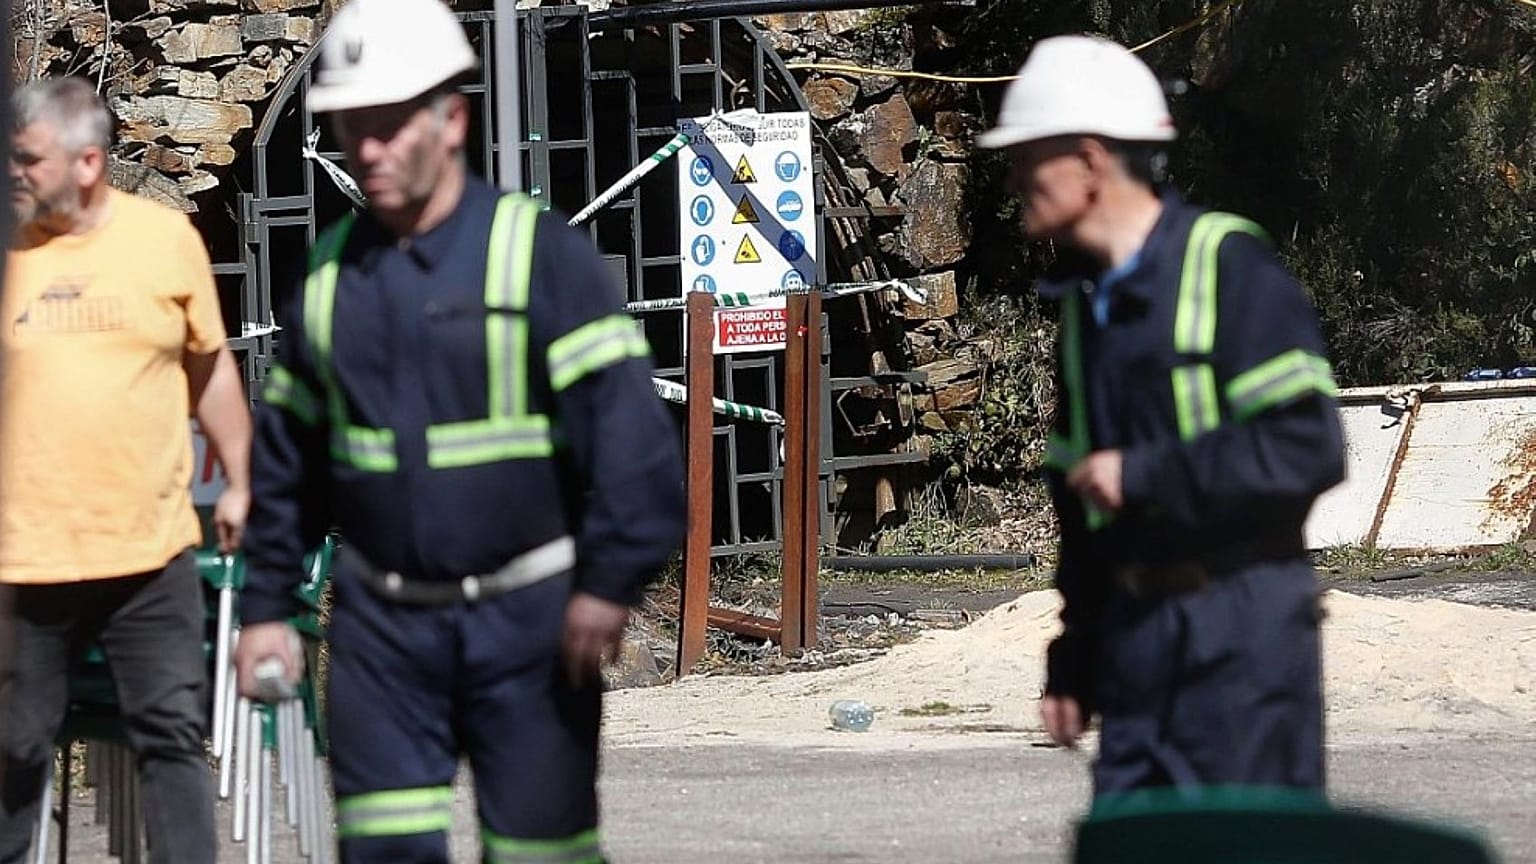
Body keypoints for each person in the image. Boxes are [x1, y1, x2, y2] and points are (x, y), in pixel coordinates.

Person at [232, 0, 686, 861]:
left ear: (453, 119)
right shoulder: (325, 280)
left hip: (532, 625)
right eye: (347, 128)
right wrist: (266, 608)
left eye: (385, 125)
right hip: (381, 633)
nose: (365, 150)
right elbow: (287, 468)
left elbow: (632, 443)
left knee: (538, 853)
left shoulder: (539, 256)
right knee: (385, 847)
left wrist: (608, 582)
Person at [976, 36, 1346, 796]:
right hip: (1137, 640)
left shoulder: (1227, 265)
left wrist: (1144, 473)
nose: (1014, 175)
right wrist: (1074, 659)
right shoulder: (1087, 309)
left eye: (1028, 155)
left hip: (1241, 640)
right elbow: (1081, 515)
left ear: (1087, 159)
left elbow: (1309, 447)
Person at [0, 76, 251, 862]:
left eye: (28, 160)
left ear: (87, 162)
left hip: (149, 553)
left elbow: (208, 369)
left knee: (171, 739)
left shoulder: (163, 240)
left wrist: (242, 478)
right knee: (14, 750)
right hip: (24, 560)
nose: (14, 173)